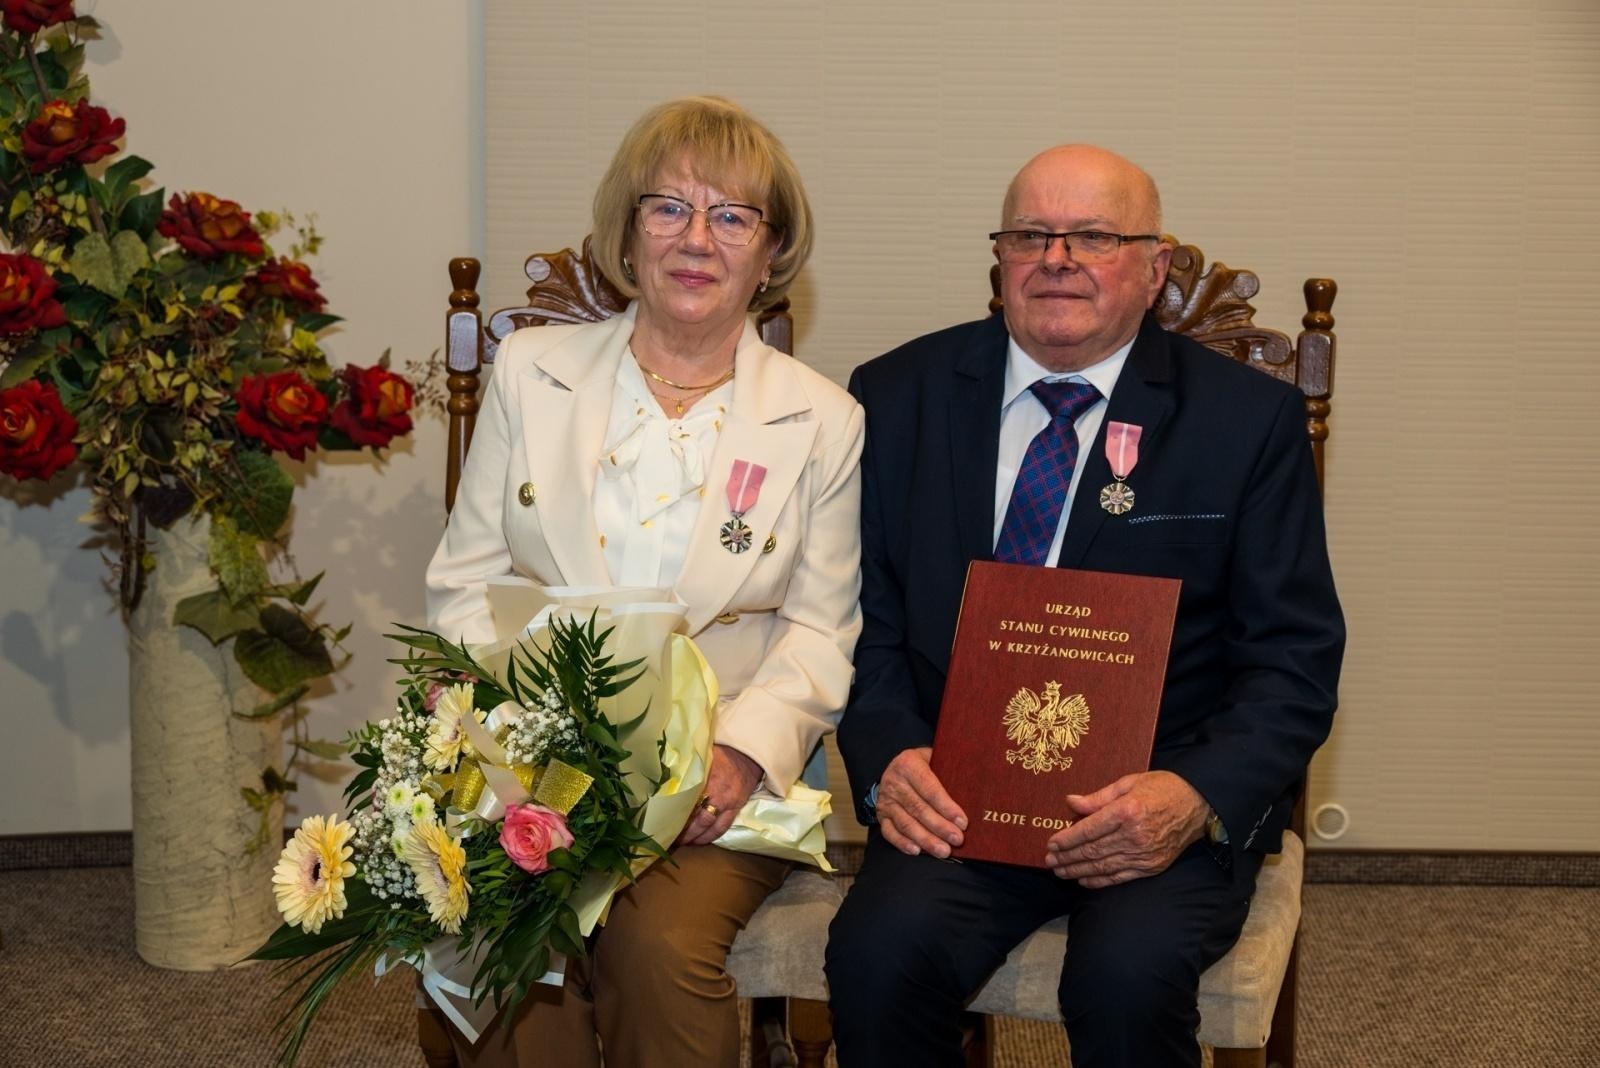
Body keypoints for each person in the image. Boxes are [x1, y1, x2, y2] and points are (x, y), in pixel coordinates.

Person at [825, 144, 1344, 1067]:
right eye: (1031, 233)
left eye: (1094, 235)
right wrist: (889, 757)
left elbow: (1292, 665)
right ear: (1000, 259)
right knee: (878, 954)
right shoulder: (896, 397)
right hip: (960, 799)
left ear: (1155, 267)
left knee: (1125, 976)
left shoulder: (1245, 422)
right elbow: (865, 623)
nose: (1056, 257)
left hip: (1159, 807)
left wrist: (1191, 797)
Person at [426, 96, 863, 1068]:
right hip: (539, 762)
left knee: (657, 947)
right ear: (628, 230)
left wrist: (739, 758)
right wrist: (508, 745)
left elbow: (821, 631)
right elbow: (463, 582)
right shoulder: (531, 372)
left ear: (770, 247)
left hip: (718, 785)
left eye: (731, 215)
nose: (696, 239)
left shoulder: (821, 420)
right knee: (514, 933)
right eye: (667, 208)